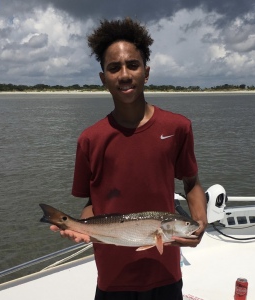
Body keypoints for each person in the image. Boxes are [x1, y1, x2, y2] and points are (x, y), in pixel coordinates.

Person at [51, 18, 207, 300]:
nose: (124, 74)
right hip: (113, 276)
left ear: (146, 73)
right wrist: (80, 228)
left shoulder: (177, 127)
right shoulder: (90, 139)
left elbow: (192, 182)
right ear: (103, 78)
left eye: (132, 65)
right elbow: (91, 202)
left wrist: (200, 222)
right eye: (114, 67)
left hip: (165, 271)